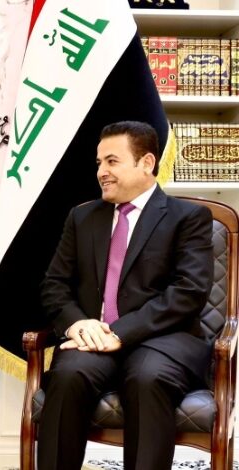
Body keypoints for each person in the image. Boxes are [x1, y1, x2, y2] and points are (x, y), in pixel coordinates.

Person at [38, 121, 214, 470]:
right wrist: (77, 325)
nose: (101, 172)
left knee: (147, 379)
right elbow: (54, 284)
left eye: (112, 161)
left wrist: (119, 333)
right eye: (99, 163)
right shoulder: (82, 217)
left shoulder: (188, 217)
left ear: (146, 163)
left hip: (163, 342)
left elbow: (189, 291)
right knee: (68, 375)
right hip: (94, 339)